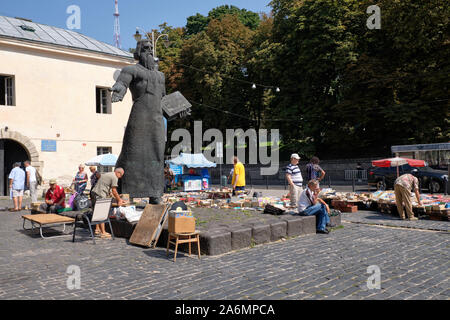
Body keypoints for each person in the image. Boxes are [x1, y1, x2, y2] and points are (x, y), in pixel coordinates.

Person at [91, 167, 127, 238]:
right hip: (100, 194)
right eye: (121, 175)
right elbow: (114, 190)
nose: (120, 177)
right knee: (102, 212)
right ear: (118, 173)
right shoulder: (114, 177)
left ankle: (97, 229)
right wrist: (119, 200)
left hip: (94, 192)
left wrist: (113, 195)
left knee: (97, 211)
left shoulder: (109, 174)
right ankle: (103, 232)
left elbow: (106, 185)